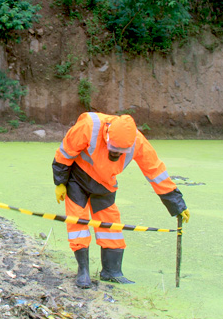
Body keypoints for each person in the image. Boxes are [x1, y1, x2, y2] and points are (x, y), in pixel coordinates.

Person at [52, 112, 190, 289]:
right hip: (76, 178)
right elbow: (65, 152)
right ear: (107, 135)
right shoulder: (89, 126)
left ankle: (111, 271)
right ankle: (83, 270)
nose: (116, 153)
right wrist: (60, 183)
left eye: (121, 152)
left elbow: (155, 171)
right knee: (78, 221)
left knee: (111, 225)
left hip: (105, 184)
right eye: (113, 149)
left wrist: (177, 203)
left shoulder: (138, 142)